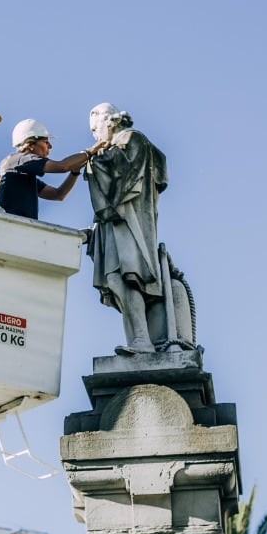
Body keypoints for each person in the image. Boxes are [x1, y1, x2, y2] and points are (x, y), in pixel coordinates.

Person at [85, 102, 170, 354]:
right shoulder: (119, 143)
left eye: (95, 129)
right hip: (115, 224)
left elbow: (121, 177)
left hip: (130, 222)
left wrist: (91, 156)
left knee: (128, 276)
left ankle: (142, 340)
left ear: (110, 120)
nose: (95, 136)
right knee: (115, 279)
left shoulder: (132, 139)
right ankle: (137, 340)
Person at [0, 118, 109, 220]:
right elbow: (63, 166)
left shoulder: (22, 175)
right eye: (45, 142)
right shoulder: (21, 159)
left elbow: (58, 195)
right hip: (15, 228)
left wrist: (74, 172)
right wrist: (90, 151)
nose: (50, 146)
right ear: (30, 145)